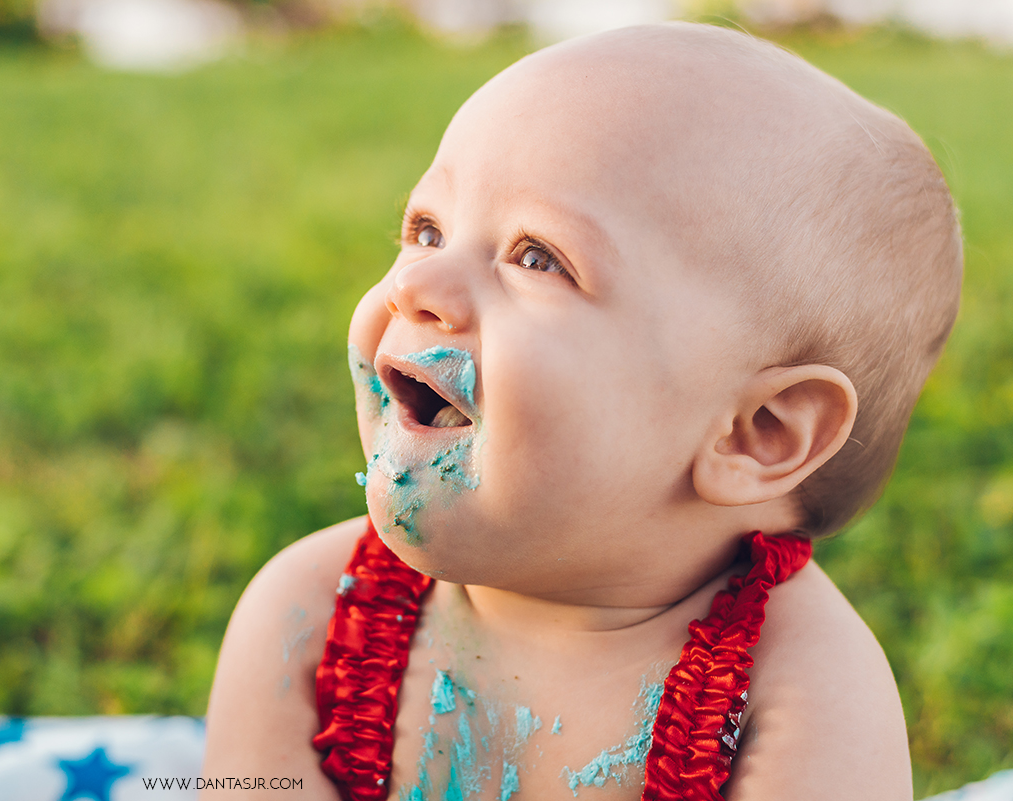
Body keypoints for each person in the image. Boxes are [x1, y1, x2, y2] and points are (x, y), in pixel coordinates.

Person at [202, 21, 962, 801]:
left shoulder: (802, 686)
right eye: (428, 230)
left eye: (537, 257)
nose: (413, 289)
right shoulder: (310, 615)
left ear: (755, 432)